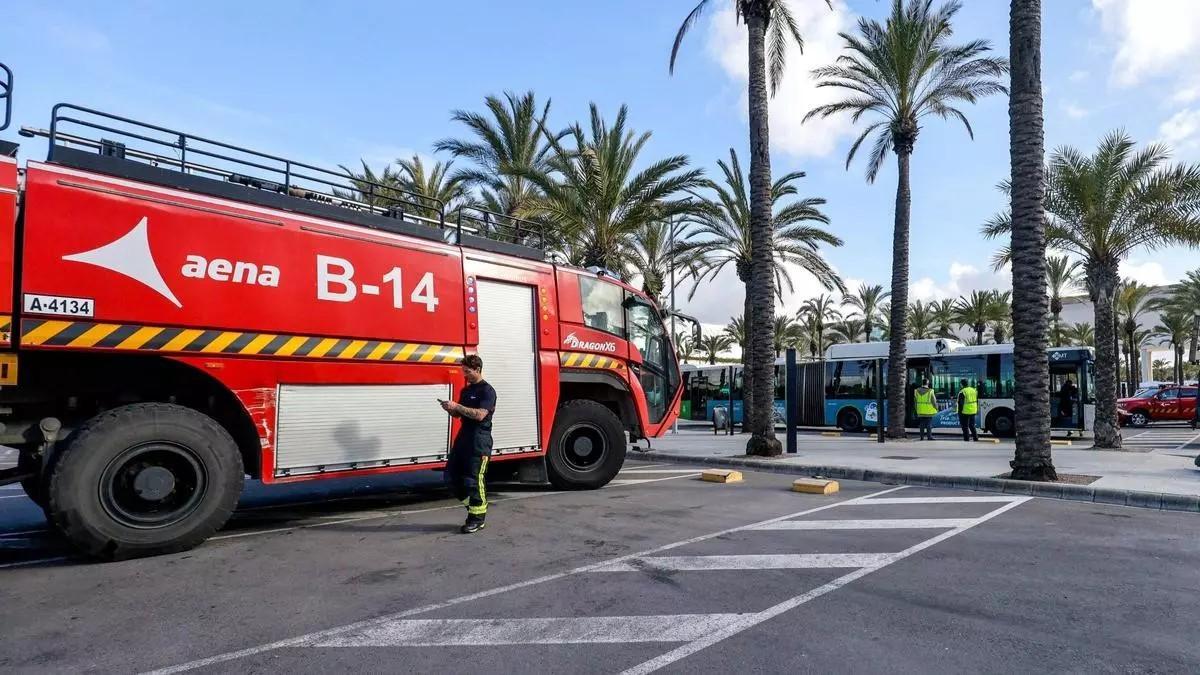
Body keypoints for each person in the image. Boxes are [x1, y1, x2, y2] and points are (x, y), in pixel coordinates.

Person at [440, 354, 497, 534]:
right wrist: (450, 410)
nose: (465, 375)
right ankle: (475, 506)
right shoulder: (466, 391)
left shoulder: (487, 391)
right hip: (464, 438)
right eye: (463, 371)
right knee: (451, 477)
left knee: (473, 480)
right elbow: (459, 414)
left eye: (467, 372)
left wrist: (457, 407)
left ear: (477, 369)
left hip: (479, 440)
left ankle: (477, 518)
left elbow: (480, 415)